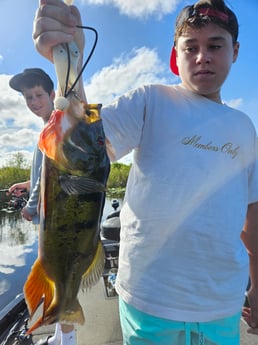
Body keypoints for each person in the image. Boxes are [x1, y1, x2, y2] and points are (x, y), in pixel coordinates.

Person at [32, 0, 258, 344]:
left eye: (215, 45)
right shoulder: (150, 101)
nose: (203, 57)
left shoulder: (244, 127)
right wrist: (69, 61)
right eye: (191, 47)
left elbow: (252, 217)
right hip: (148, 302)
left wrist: (256, 286)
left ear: (235, 51)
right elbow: (84, 141)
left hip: (221, 305)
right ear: (175, 56)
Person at [8, 68, 76, 345]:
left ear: (52, 95)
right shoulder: (47, 128)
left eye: (38, 95)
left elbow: (50, 178)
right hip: (51, 222)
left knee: (62, 282)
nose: (34, 102)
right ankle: (61, 336)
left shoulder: (57, 128)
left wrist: (30, 207)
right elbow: (41, 176)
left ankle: (68, 340)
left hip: (56, 223)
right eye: (28, 98)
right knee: (56, 280)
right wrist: (27, 184)